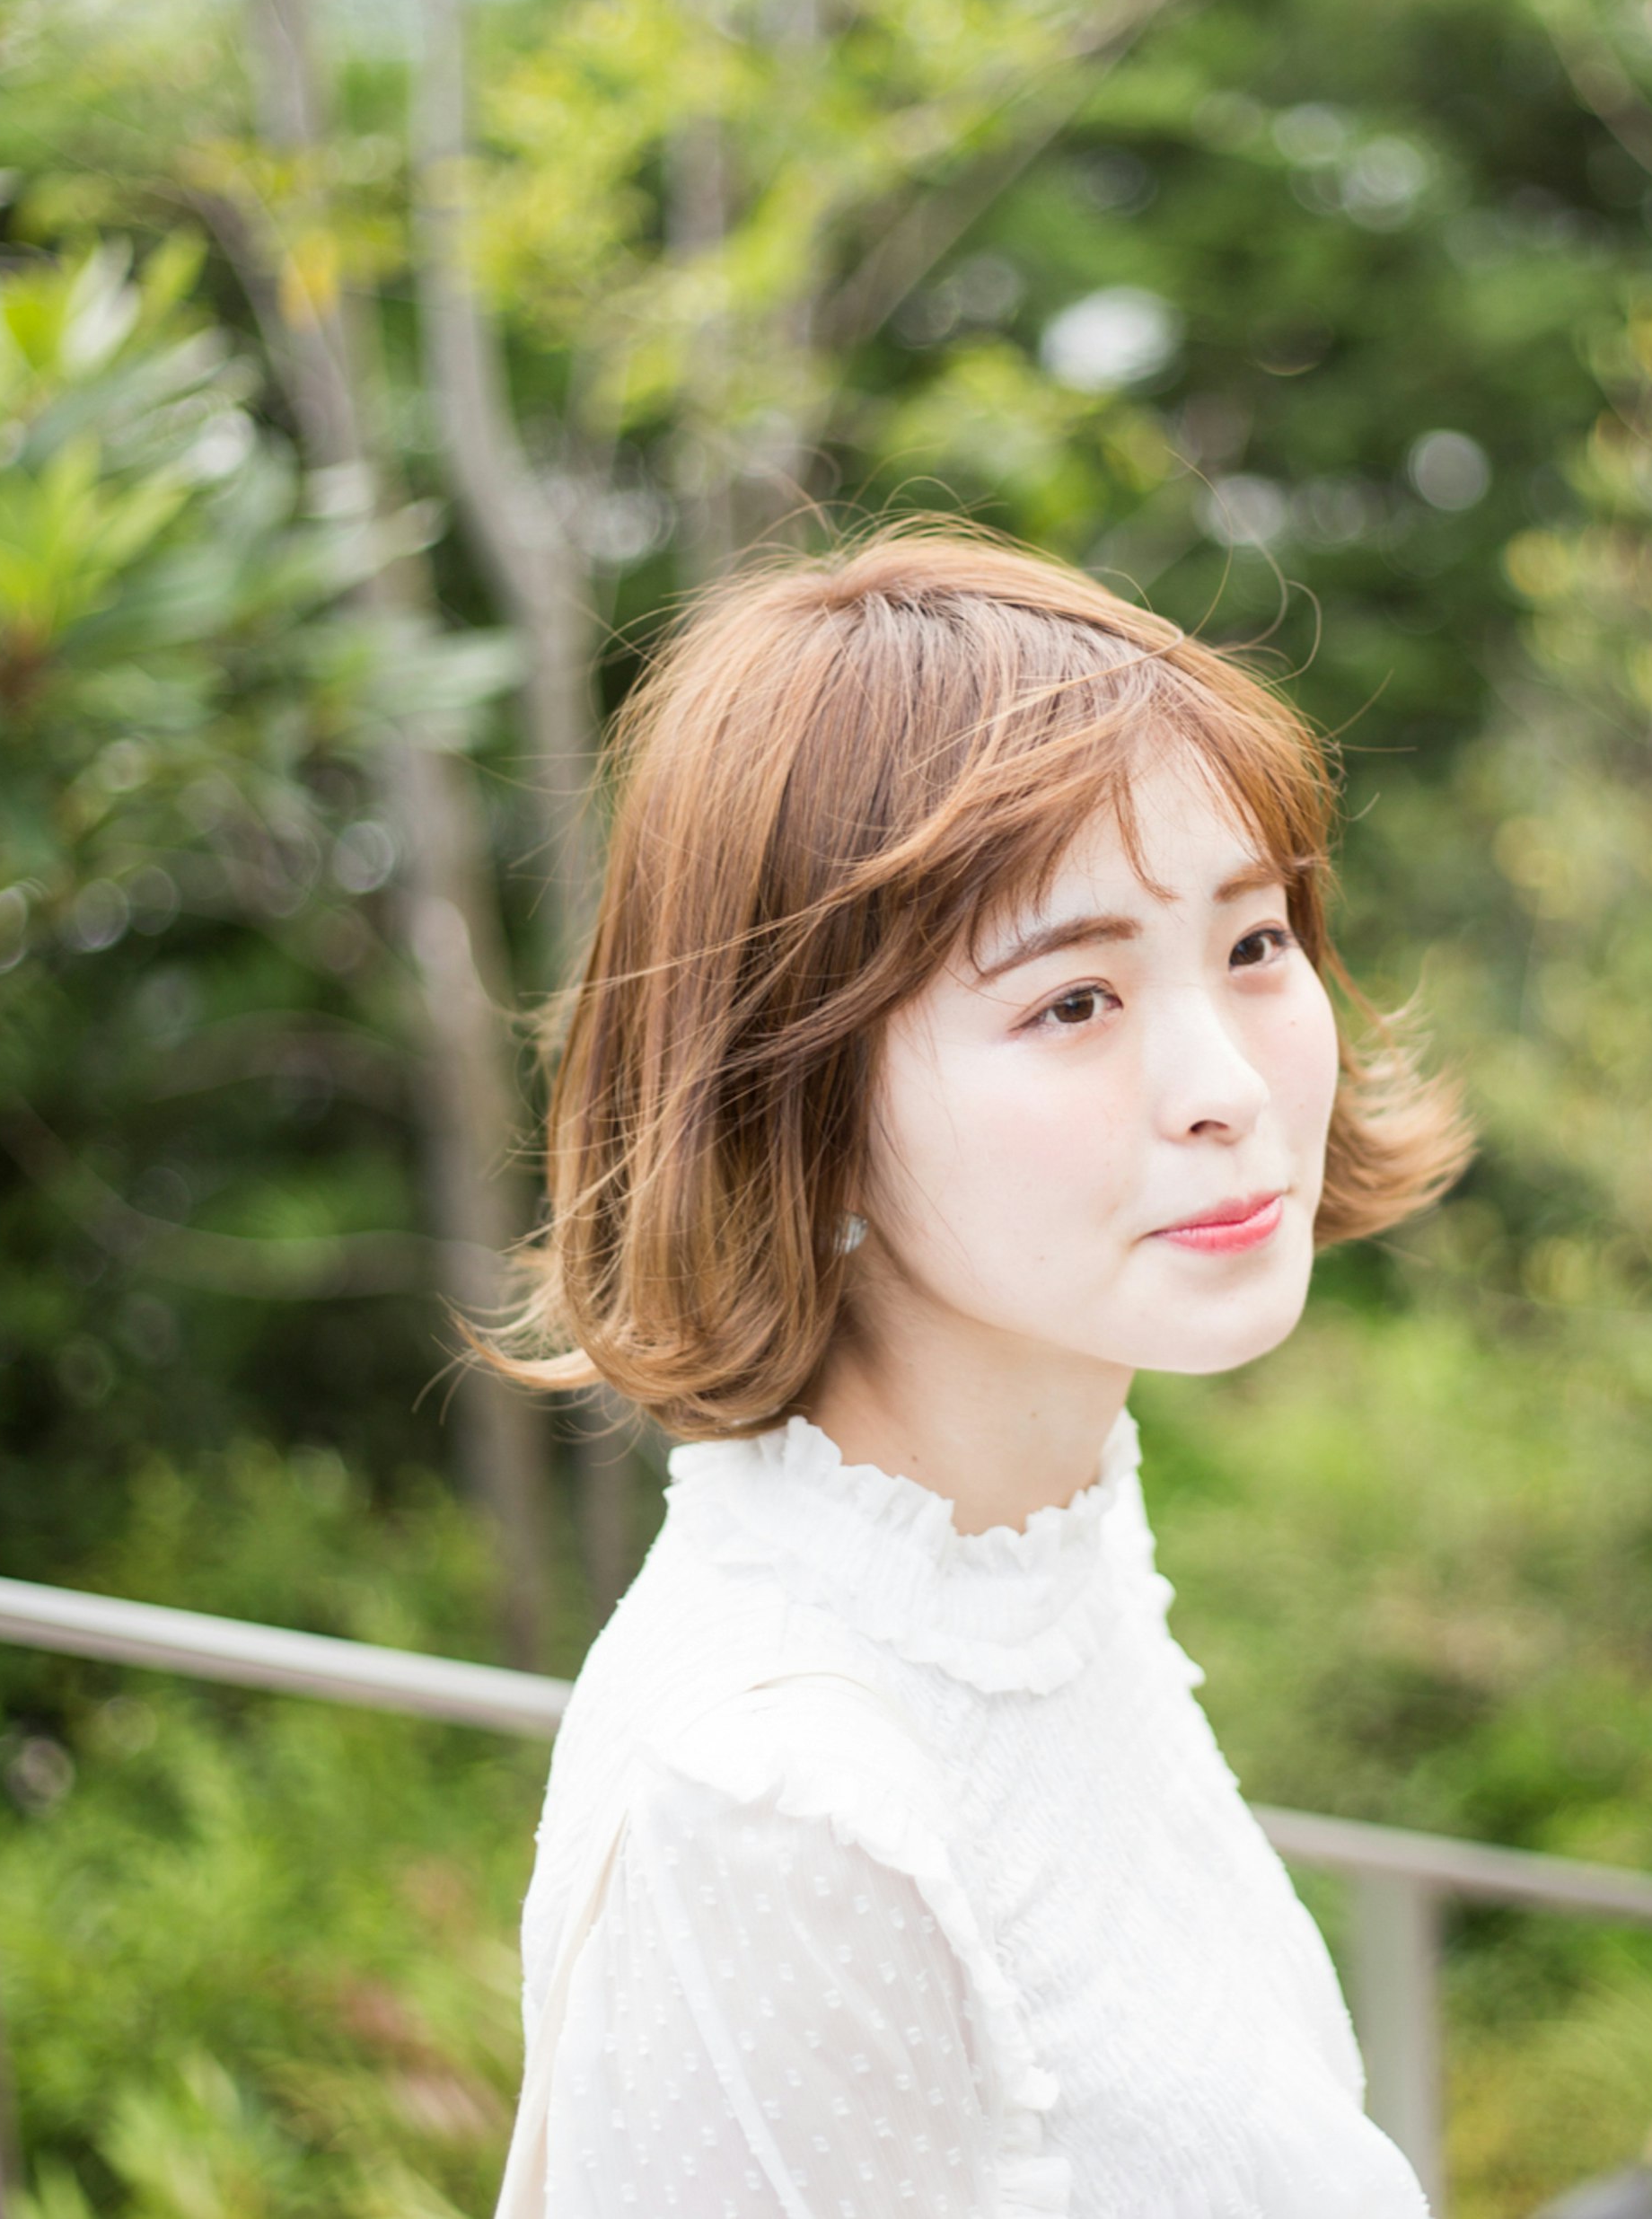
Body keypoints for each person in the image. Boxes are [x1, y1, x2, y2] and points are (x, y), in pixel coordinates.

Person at [485, 528, 1470, 2215]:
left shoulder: (1030, 1553)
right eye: (1075, 1000)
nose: (1225, 1080)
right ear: (798, 1111)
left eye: (1249, 944)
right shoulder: (781, 1807)